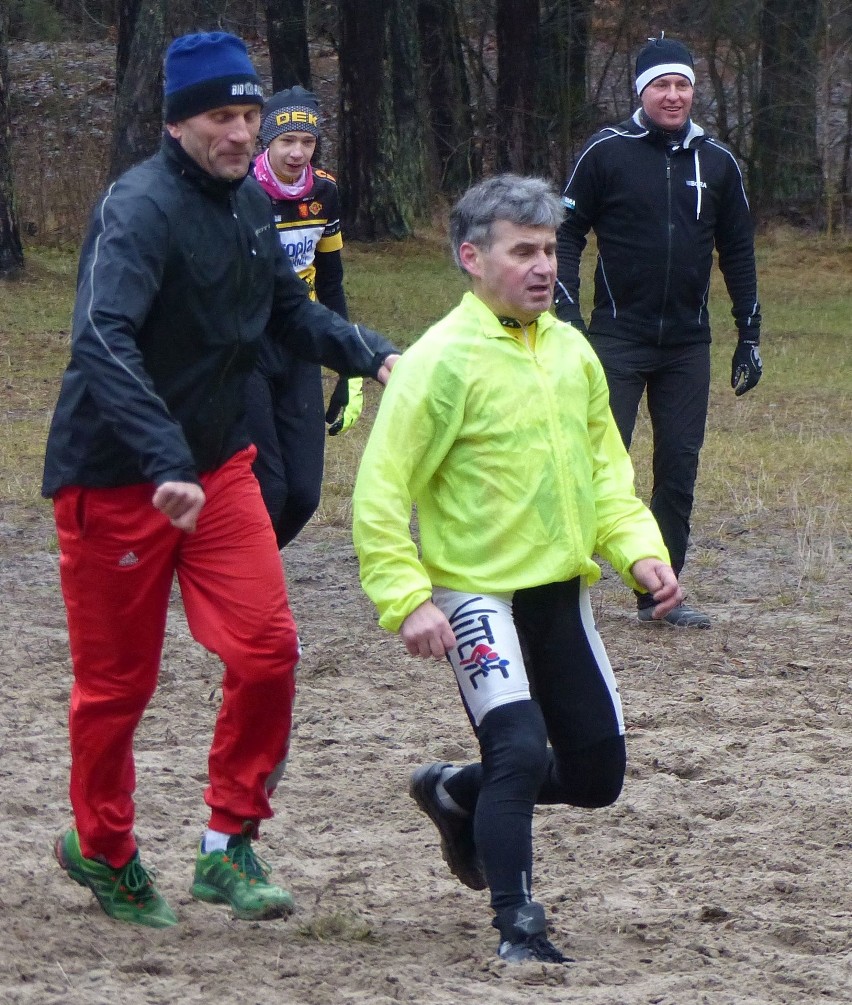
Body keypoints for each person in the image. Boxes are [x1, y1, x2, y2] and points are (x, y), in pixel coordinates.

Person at [42, 31, 399, 929]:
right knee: (118, 686)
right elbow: (102, 340)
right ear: (178, 120)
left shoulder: (247, 208)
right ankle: (105, 848)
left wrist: (372, 355)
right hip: (117, 481)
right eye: (223, 117)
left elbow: (288, 310)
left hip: (218, 470)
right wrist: (162, 459)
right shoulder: (138, 210)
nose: (242, 134)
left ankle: (227, 843)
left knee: (267, 649)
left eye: (249, 116)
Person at [351, 175, 682, 964]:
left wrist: (641, 550)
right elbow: (379, 490)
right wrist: (407, 598)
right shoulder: (438, 362)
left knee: (599, 773)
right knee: (520, 750)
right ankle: (518, 925)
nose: (544, 267)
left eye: (552, 250)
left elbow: (607, 472)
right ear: (472, 257)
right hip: (474, 594)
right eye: (523, 251)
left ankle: (454, 791)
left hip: (558, 591)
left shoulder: (572, 350)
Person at [555, 34, 763, 629]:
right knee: (596, 465)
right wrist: (566, 315)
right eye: (661, 85)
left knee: (678, 469)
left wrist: (748, 331)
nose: (673, 96)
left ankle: (661, 594)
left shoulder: (718, 163)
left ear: (693, 91)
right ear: (641, 91)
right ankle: (564, 588)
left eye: (682, 85)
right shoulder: (605, 153)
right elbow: (566, 233)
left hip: (686, 346)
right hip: (615, 339)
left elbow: (739, 251)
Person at [247, 85, 362, 547]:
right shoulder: (240, 191)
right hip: (248, 346)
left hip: (302, 341)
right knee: (269, 488)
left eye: (307, 142)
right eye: (286, 141)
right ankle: (244, 584)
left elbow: (331, 281)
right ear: (266, 142)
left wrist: (348, 370)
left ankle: (246, 571)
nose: (297, 153)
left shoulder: (326, 193)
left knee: (303, 494)